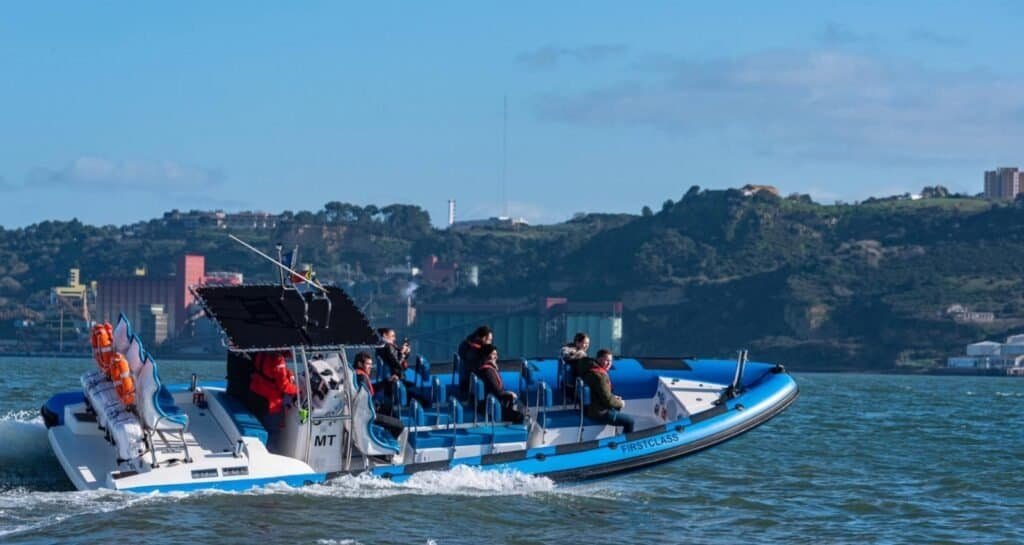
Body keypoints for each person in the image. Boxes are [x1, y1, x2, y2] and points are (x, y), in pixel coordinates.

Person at [582, 349, 635, 433]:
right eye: (606, 360)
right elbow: (607, 400)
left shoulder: (591, 370)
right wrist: (621, 403)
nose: (609, 363)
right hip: (599, 412)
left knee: (617, 407)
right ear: (599, 359)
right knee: (630, 421)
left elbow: (601, 393)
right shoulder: (600, 376)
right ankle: (624, 443)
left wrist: (614, 397)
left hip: (592, 407)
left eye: (610, 361)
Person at [353, 351, 404, 439]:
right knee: (400, 426)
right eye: (368, 364)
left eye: (371, 364)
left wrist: (387, 381)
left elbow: (371, 389)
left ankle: (383, 435)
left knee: (388, 406)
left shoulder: (358, 375)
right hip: (369, 415)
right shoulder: (362, 378)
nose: (371, 367)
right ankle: (387, 449)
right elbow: (364, 401)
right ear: (360, 364)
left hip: (366, 412)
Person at [472, 344, 525, 424]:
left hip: (490, 402)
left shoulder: (486, 368)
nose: (496, 357)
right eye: (493, 354)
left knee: (519, 405)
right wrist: (510, 394)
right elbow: (497, 392)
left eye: (496, 354)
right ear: (487, 355)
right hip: (491, 405)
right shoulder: (488, 371)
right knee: (520, 415)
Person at [247, 351, 298, 431]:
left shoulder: (263, 352)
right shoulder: (278, 359)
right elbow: (284, 386)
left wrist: (289, 373)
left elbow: (274, 371)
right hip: (269, 403)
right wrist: (298, 390)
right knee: (271, 429)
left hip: (255, 393)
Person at [375, 327, 423, 407]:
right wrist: (403, 353)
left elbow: (396, 360)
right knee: (416, 394)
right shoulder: (388, 347)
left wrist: (404, 353)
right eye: (392, 336)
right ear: (385, 335)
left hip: (392, 378)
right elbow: (396, 364)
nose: (394, 338)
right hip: (395, 378)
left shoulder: (382, 346)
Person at [457, 325, 492, 399]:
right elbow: (478, 368)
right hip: (470, 382)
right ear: (482, 338)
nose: (490, 343)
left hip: (466, 379)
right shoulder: (473, 351)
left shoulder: (466, 343)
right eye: (489, 340)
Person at [560, 332, 590, 400]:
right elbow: (565, 355)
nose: (586, 345)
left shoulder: (582, 353)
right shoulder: (568, 349)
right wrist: (577, 354)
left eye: (588, 343)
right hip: (570, 384)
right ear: (577, 342)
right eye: (584, 343)